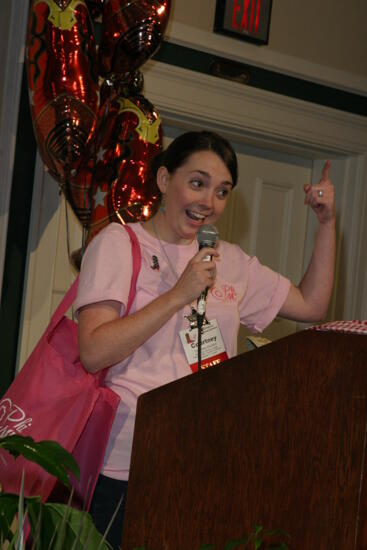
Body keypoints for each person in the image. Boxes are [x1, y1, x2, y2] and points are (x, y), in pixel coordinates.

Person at [75, 130, 335, 548]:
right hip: (126, 467)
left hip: (206, 463)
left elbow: (312, 305)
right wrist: (179, 294)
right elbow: (92, 351)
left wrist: (326, 224)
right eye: (197, 183)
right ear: (163, 180)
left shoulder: (229, 261)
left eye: (222, 192)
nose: (208, 203)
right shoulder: (119, 245)